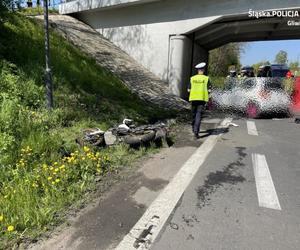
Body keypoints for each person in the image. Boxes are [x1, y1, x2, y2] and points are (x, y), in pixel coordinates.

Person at [187, 62, 211, 139]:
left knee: (193, 114)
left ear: (198, 70)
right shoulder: (206, 79)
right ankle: (196, 133)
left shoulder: (192, 78)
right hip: (202, 99)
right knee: (198, 115)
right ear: (203, 70)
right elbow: (209, 90)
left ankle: (193, 128)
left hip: (193, 99)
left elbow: (188, 90)